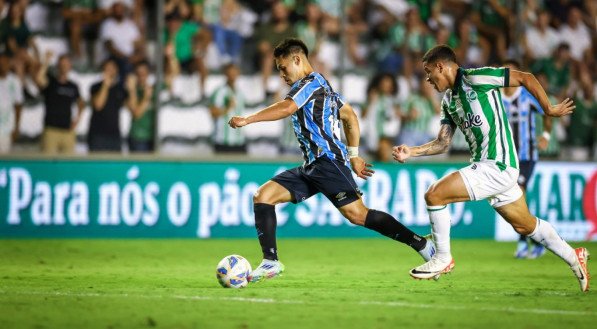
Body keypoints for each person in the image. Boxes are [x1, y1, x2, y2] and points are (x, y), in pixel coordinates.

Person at [228, 38, 436, 283]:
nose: (281, 74)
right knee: (263, 196)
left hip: (328, 162)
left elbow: (286, 108)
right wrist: (355, 156)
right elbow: (349, 116)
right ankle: (270, 262)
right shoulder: (323, 87)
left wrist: (247, 120)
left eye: (283, 68)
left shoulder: (309, 83)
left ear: (297, 59)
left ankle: (422, 245)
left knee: (357, 215)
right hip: (312, 166)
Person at [392, 45, 590, 292]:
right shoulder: (448, 101)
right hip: (491, 168)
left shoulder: (476, 78)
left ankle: (442, 258)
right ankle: (575, 256)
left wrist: (548, 108)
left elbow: (524, 77)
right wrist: (412, 152)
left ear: (440, 66)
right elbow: (442, 143)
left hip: (498, 164)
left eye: (428, 71)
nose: (428, 79)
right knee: (525, 226)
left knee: (434, 194)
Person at [500, 59, 552, 259]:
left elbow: (548, 113)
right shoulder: (495, 96)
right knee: (513, 201)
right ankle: (537, 241)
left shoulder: (527, 96)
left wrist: (546, 136)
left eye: (511, 71)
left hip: (527, 156)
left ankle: (524, 243)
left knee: (518, 195)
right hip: (506, 158)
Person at [35, 52, 85, 154]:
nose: (64, 66)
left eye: (66, 64)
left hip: (68, 131)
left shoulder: (73, 86)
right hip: (51, 129)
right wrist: (46, 62)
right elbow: (39, 79)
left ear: (70, 66)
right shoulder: (51, 82)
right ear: (58, 66)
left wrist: (77, 119)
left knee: (68, 166)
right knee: (48, 164)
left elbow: (81, 103)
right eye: (62, 64)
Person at [88, 59, 128, 152]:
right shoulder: (96, 86)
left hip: (115, 134)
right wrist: (105, 85)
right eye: (107, 68)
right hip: (97, 134)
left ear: (116, 70)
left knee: (115, 165)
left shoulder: (121, 89)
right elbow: (98, 105)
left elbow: (131, 109)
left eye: (112, 68)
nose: (109, 70)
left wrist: (132, 89)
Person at [209, 63, 246, 153]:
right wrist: (227, 108)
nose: (232, 76)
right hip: (223, 141)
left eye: (234, 73)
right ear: (225, 74)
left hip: (239, 141)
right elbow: (213, 113)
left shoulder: (240, 92)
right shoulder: (219, 92)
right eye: (230, 73)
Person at [125, 60, 155, 152]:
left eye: (144, 73)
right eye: (138, 73)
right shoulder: (131, 91)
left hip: (154, 136)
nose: (141, 76)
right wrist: (145, 98)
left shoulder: (154, 88)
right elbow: (136, 113)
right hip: (138, 137)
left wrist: (171, 57)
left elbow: (172, 75)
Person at [0, 52, 22, 153]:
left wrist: (16, 127)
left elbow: (18, 105)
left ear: (9, 64)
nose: (2, 65)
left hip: (6, 129)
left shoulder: (14, 81)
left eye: (5, 62)